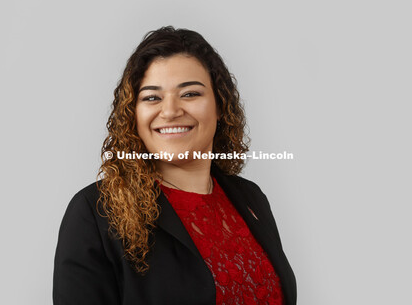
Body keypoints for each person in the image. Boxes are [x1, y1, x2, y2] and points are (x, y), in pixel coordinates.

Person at [53, 26, 297, 305]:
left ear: (220, 106)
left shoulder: (251, 198)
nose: (170, 111)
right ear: (133, 114)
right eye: (152, 97)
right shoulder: (95, 212)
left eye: (190, 94)